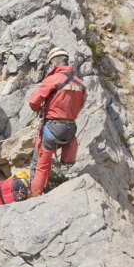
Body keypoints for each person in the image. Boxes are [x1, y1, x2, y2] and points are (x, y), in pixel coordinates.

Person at [28, 47, 87, 197]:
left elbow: (33, 101)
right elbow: (80, 105)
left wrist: (40, 109)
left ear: (53, 64)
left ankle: (33, 197)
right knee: (46, 164)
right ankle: (46, 189)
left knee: (40, 165)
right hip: (70, 128)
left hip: (52, 127)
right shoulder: (80, 84)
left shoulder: (53, 79)